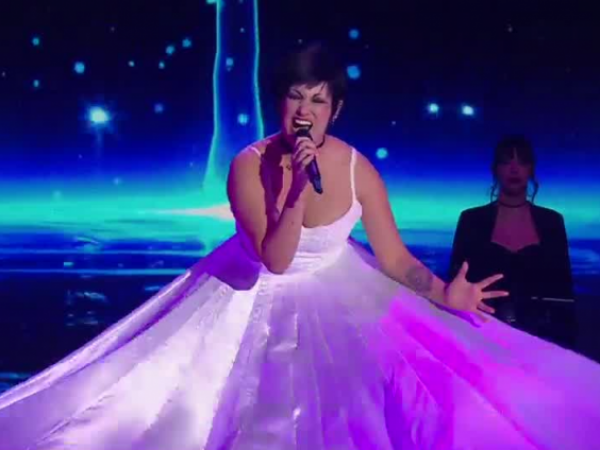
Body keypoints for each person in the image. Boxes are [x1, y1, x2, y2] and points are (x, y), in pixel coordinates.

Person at [1, 43, 599, 450]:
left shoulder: (358, 168)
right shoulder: (249, 165)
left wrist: (446, 294)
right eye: (296, 96)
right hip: (247, 297)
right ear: (279, 103)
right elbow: (277, 260)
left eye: (318, 100)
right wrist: (292, 191)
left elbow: (393, 258)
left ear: (335, 110)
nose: (305, 110)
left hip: (342, 292)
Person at [449, 136, 577, 349]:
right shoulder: (472, 220)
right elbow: (456, 283)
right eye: (506, 162)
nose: (514, 169)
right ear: (496, 169)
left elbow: (564, 291)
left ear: (531, 169)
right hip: (481, 337)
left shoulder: (551, 222)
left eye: (522, 162)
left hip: (542, 340)